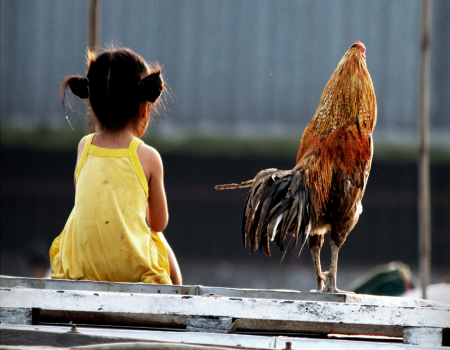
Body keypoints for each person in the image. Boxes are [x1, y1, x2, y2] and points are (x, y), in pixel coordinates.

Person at [49, 48, 181, 285]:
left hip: (77, 267)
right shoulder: (149, 157)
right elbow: (159, 223)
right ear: (144, 107)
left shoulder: (83, 147)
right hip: (133, 274)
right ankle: (180, 302)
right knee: (161, 242)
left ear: (93, 104)